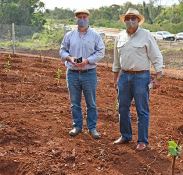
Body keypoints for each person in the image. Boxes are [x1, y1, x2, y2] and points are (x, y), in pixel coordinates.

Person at [112, 8, 163, 150]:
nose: (130, 21)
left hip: (141, 77)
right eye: (127, 18)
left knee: (142, 109)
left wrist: (158, 77)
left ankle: (142, 141)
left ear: (138, 20)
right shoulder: (120, 36)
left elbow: (156, 56)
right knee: (122, 108)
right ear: (124, 21)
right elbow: (116, 61)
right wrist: (115, 79)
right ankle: (125, 135)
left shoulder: (146, 35)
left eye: (133, 18)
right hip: (124, 76)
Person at [59, 9, 105, 139]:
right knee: (75, 102)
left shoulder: (95, 36)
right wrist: (69, 58)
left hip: (89, 72)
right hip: (72, 73)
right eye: (80, 17)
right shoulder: (69, 35)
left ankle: (92, 128)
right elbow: (62, 50)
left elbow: (101, 52)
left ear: (88, 18)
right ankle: (77, 126)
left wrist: (88, 61)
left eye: (84, 17)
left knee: (91, 102)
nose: (82, 19)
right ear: (76, 19)